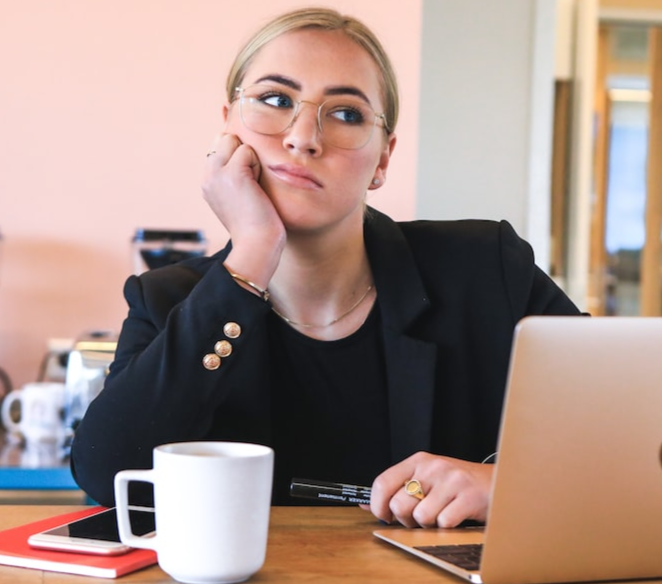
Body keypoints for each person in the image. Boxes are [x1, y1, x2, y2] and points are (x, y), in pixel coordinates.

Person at [70, 7, 581, 529]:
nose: (302, 137)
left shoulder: (486, 269)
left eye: (346, 114)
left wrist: (508, 485)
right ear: (227, 127)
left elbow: (635, 430)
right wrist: (251, 254)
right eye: (275, 100)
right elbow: (108, 475)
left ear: (383, 159)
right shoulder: (167, 300)